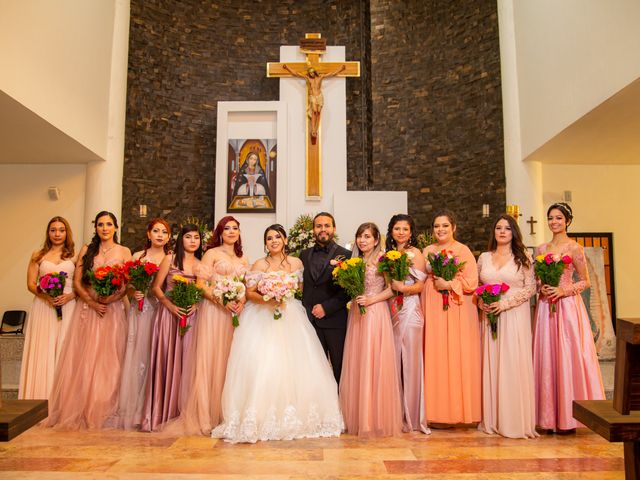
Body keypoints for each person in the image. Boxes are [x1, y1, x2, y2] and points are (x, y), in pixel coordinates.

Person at [212, 224, 342, 443]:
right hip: (262, 316)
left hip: (291, 315)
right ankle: (259, 415)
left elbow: (301, 289)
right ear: (265, 243)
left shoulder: (296, 262)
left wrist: (284, 293)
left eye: (277, 237)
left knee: (294, 365)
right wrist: (268, 297)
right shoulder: (259, 264)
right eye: (269, 238)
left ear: (285, 240)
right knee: (263, 363)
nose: (273, 241)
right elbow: (250, 293)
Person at [45, 211, 132, 429]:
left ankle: (107, 408)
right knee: (87, 358)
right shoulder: (87, 249)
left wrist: (113, 298)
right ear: (96, 228)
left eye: (109, 224)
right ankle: (83, 407)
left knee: (111, 359)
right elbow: (77, 282)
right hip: (89, 310)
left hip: (112, 310)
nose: (104, 228)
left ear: (116, 228)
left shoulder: (124, 251)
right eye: (101, 224)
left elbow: (128, 283)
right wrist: (92, 302)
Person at [533, 202, 604, 433]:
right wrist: (541, 287)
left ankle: (568, 418)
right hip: (546, 307)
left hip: (567, 308)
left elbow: (585, 281)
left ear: (568, 221)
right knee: (547, 357)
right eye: (551, 218)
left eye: (559, 218)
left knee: (566, 356)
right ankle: (547, 416)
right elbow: (537, 280)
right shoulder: (541, 249)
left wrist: (563, 290)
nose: (554, 222)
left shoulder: (575, 248)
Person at [176, 216, 249, 435]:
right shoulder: (212, 253)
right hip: (214, 312)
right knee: (211, 359)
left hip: (235, 314)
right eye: (227, 228)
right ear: (220, 232)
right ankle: (207, 415)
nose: (231, 232)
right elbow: (201, 284)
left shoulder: (243, 257)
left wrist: (241, 301)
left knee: (230, 361)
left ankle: (228, 413)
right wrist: (221, 300)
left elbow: (246, 286)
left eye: (235, 228)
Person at [340, 222, 403, 437]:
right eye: (360, 236)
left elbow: (392, 289)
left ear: (376, 240)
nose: (362, 240)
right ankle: (359, 417)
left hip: (376, 313)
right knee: (359, 362)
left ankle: (375, 419)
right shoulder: (354, 261)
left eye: (367, 236)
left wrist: (371, 299)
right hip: (358, 313)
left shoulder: (382, 259)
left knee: (373, 362)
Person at [477, 215, 538, 438]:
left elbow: (531, 288)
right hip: (490, 315)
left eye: (507, 228)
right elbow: (478, 286)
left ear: (514, 232)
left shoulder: (524, 257)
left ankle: (514, 420)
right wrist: (482, 301)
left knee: (512, 362)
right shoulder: (484, 257)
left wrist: (505, 303)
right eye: (498, 228)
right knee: (493, 362)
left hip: (514, 314)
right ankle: (493, 418)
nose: (502, 231)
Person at [140, 223, 202, 432]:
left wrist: (194, 304)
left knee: (187, 363)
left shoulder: (201, 264)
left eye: (196, 237)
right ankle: (161, 413)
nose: (193, 241)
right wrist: (170, 306)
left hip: (191, 317)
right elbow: (156, 287)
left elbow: (202, 291)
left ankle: (181, 411)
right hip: (168, 315)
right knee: (167, 361)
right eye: (188, 237)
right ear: (181, 240)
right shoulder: (170, 259)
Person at [422, 209, 481, 426]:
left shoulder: (462, 250)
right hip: (432, 304)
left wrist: (449, 284)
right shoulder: (427, 250)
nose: (440, 229)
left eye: (445, 225)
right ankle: (434, 412)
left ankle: (456, 412)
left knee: (455, 354)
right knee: (434, 353)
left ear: (454, 228)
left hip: (456, 306)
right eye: (437, 226)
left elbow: (472, 283)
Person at [113, 218, 171, 429]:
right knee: (136, 354)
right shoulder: (138, 257)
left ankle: (153, 406)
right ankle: (134, 408)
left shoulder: (169, 258)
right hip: (139, 311)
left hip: (159, 311)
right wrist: (134, 291)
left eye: (164, 232)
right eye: (156, 231)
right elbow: (126, 286)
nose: (159, 235)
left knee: (153, 355)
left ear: (168, 237)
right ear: (148, 234)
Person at [19, 216, 77, 400]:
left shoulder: (75, 255)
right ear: (48, 232)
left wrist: (70, 296)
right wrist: (46, 298)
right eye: (53, 230)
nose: (57, 234)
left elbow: (82, 284)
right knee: (44, 349)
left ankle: (64, 400)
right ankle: (40, 397)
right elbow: (30, 284)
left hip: (68, 306)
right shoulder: (38, 255)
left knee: (65, 350)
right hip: (44, 307)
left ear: (67, 232)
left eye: (61, 230)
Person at [385, 214, 429, 434]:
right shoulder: (388, 255)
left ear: (411, 232)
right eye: (397, 228)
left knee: (410, 364)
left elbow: (420, 285)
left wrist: (403, 289)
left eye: (405, 229)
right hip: (392, 310)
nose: (400, 232)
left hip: (410, 310)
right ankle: (394, 413)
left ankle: (412, 416)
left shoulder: (416, 254)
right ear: (391, 231)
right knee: (392, 363)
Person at [299, 212, 351, 383]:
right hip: (309, 322)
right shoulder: (303, 255)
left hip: (335, 321)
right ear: (313, 230)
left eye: (327, 225)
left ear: (334, 229)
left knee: (339, 368)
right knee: (313, 370)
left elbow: (348, 290)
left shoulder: (346, 255)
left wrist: (326, 307)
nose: (323, 229)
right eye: (319, 226)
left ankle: (340, 406)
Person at [283, 64, 346, 143]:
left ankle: (315, 129)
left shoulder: (320, 77)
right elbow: (296, 73)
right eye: (310, 73)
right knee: (314, 111)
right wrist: (287, 68)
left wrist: (341, 69)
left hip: (319, 96)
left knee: (318, 112)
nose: (311, 74)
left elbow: (332, 73)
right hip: (312, 96)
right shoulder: (308, 79)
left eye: (312, 73)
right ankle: (312, 129)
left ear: (315, 72)